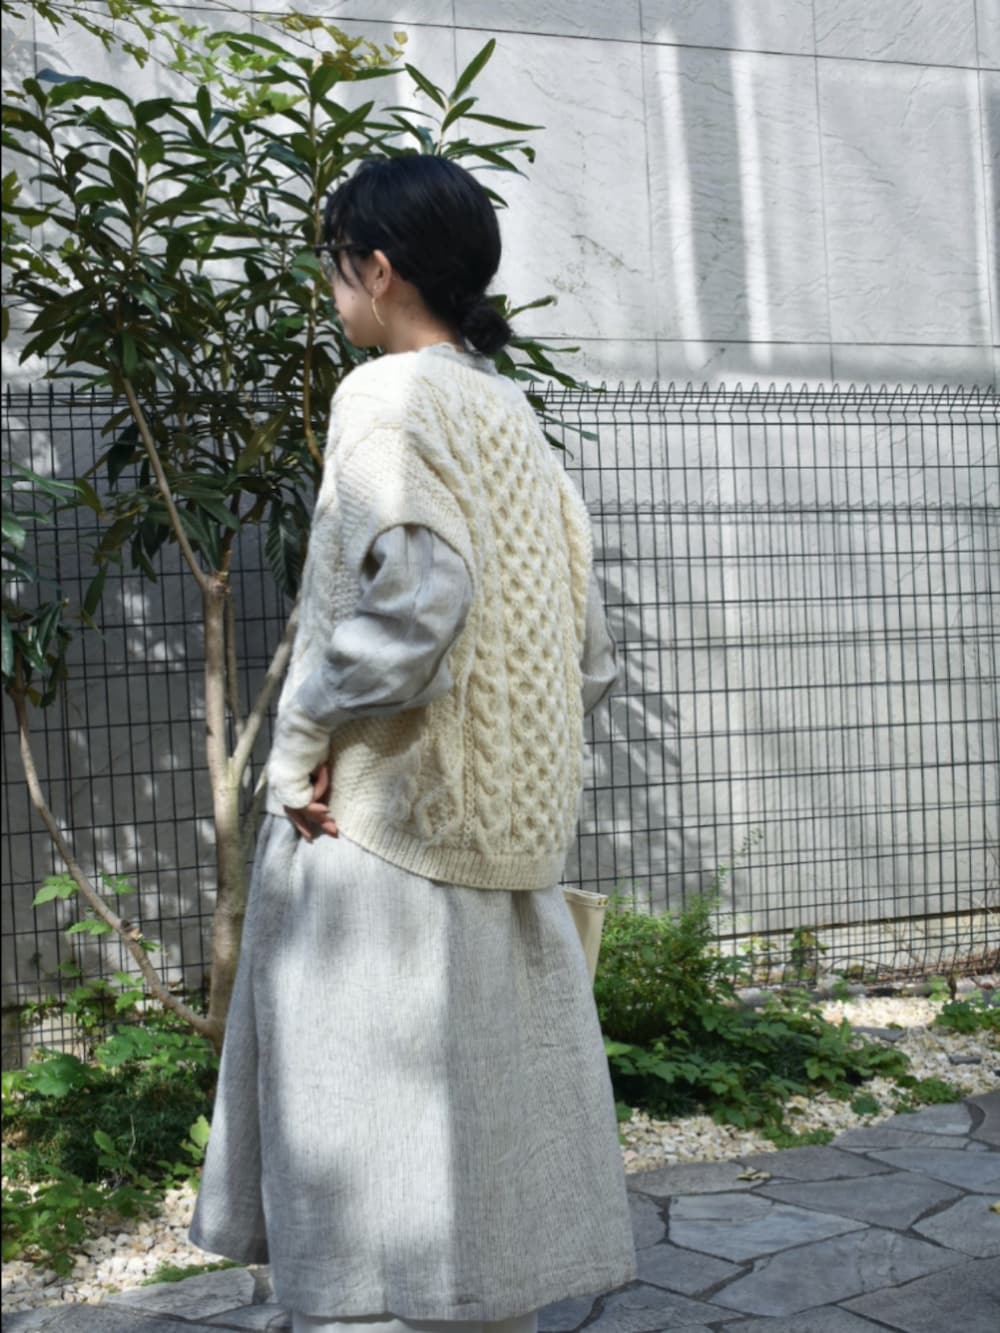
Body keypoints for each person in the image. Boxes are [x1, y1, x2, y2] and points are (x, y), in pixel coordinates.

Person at [189, 155, 638, 1333]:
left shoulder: (385, 397)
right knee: (475, 1174)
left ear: (377, 268)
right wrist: (507, 759)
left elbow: (417, 600)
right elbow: (588, 649)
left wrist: (301, 739)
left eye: (333, 263)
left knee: (364, 1164)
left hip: (381, 836)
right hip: (503, 841)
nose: (330, 287)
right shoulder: (508, 411)